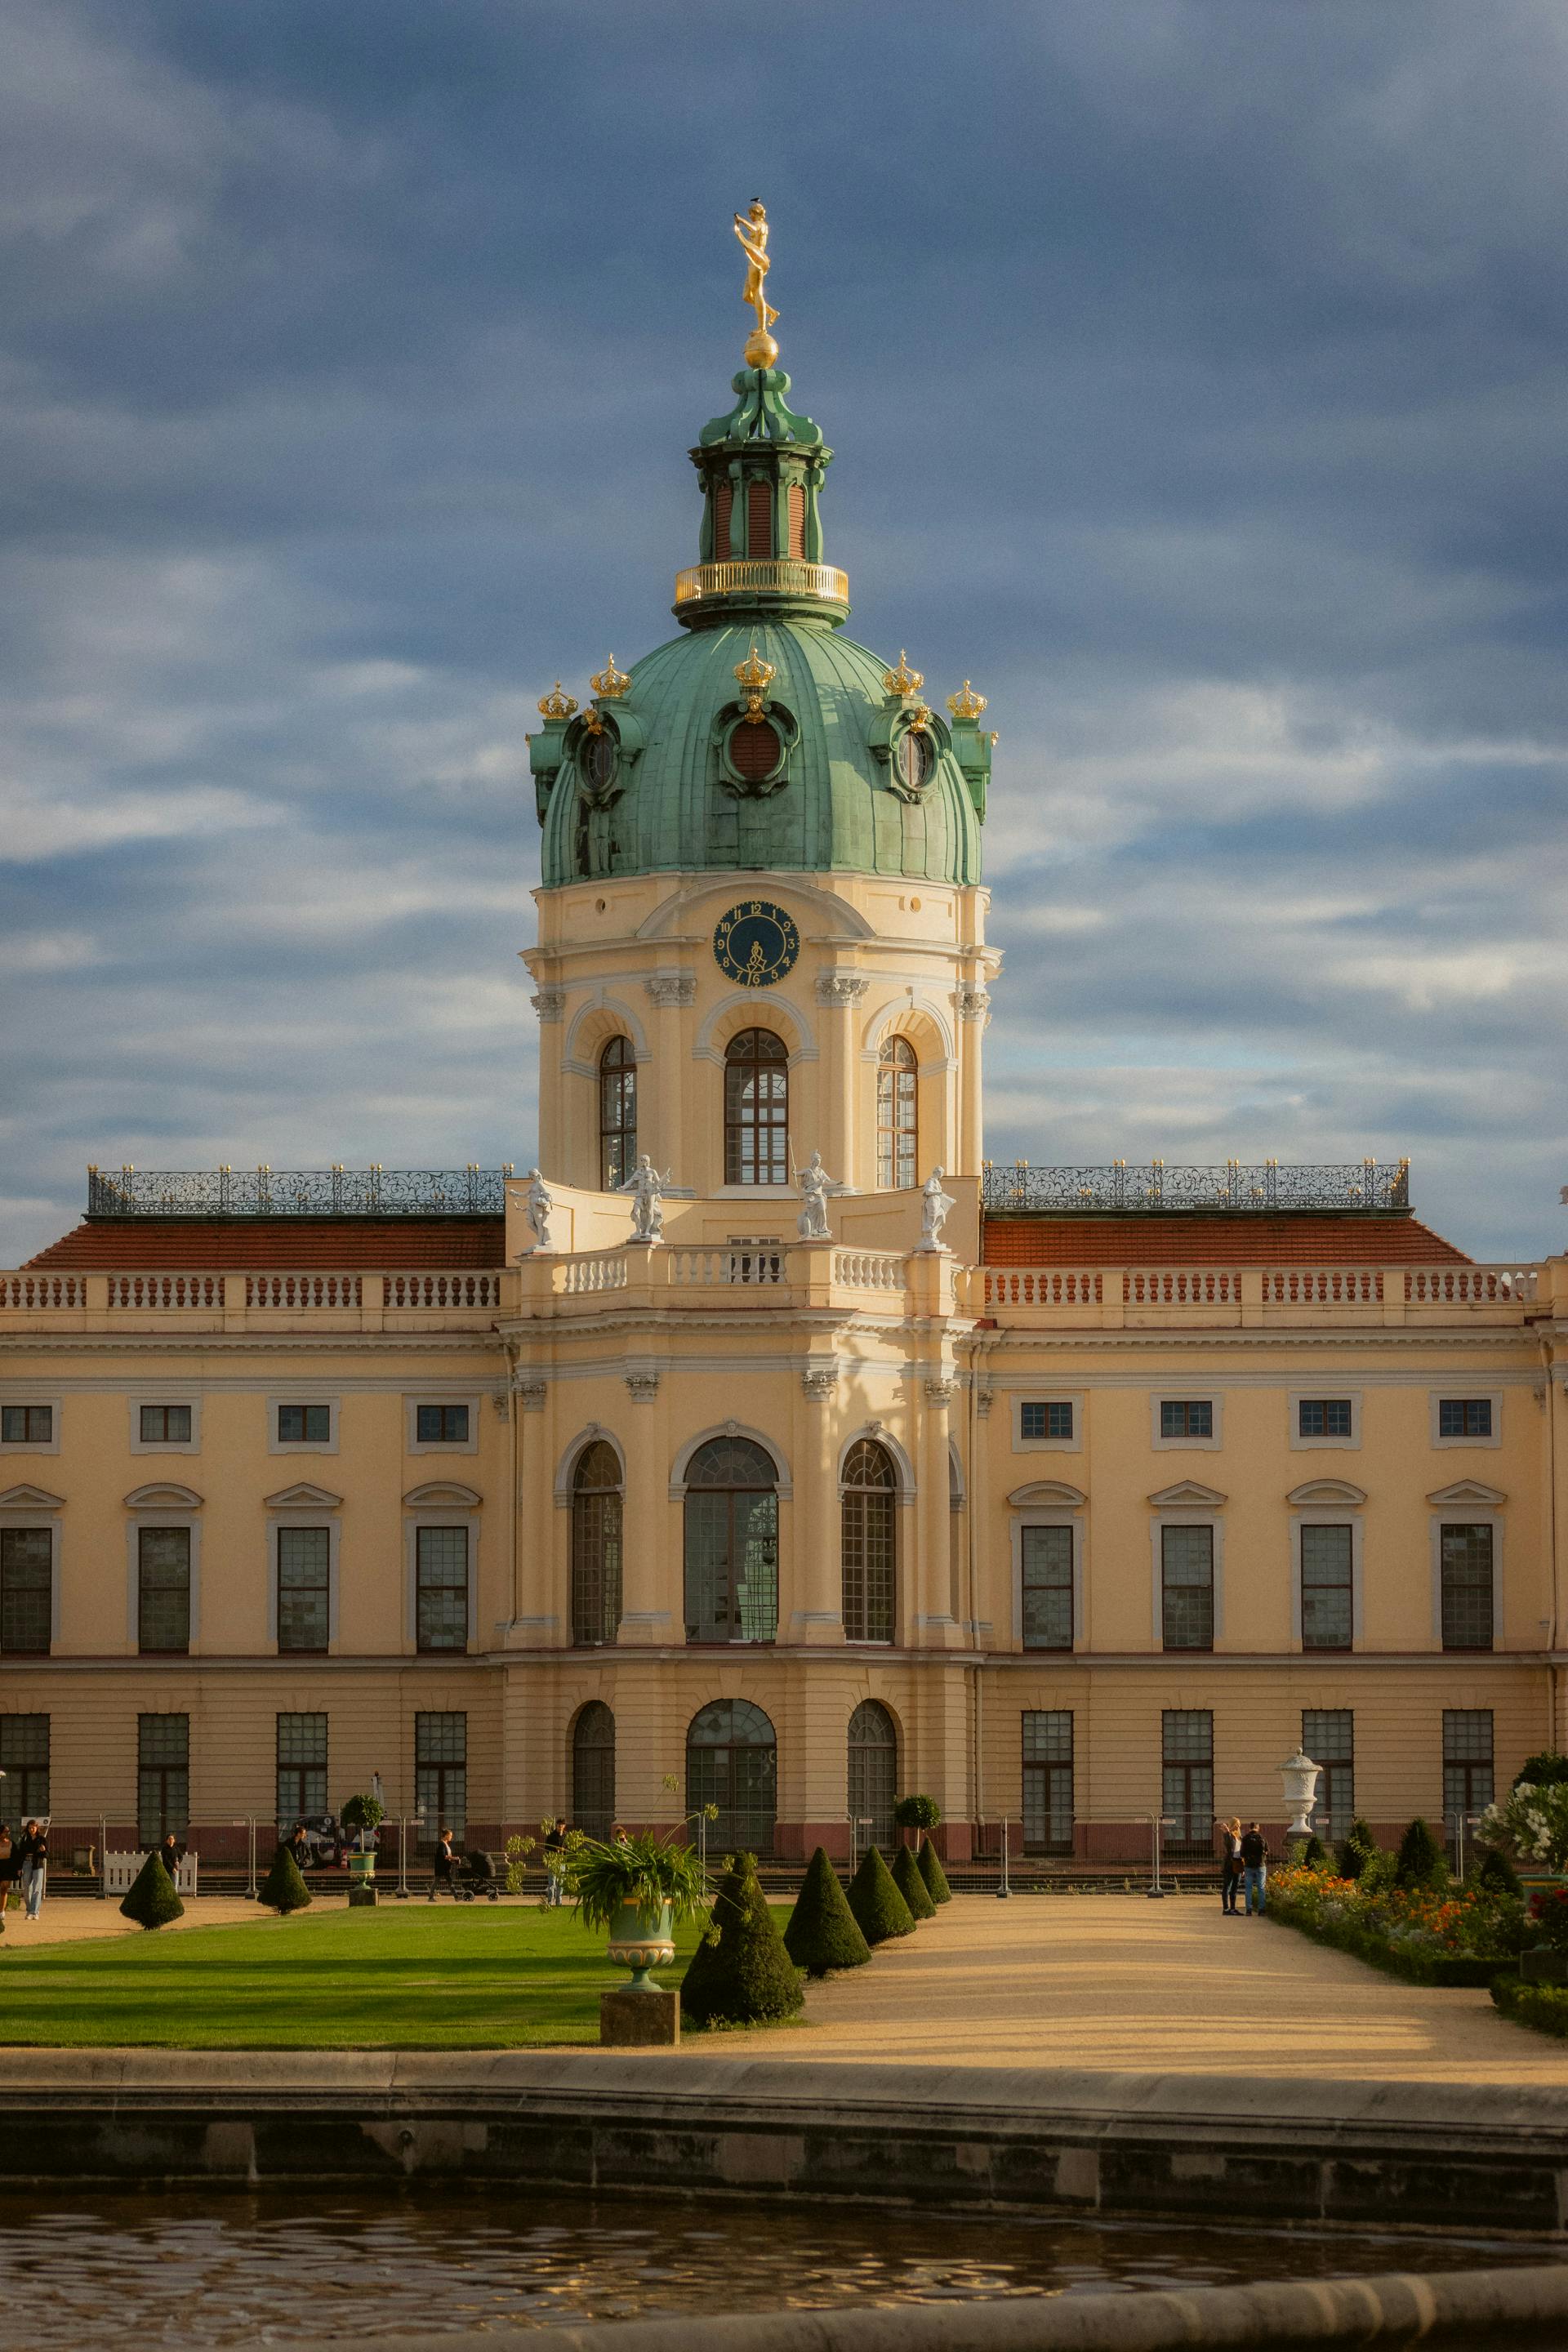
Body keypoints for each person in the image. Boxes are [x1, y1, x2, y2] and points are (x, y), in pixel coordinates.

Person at [16, 1820, 48, 1919]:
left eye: (33, 1827)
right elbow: (20, 1854)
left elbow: (47, 1855)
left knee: (37, 1889)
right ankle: (29, 1910)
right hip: (26, 1863)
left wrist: (44, 1851)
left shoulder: (42, 1839)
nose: (31, 1829)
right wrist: (19, 1868)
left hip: (38, 1864)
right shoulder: (25, 1839)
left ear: (37, 1828)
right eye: (29, 1828)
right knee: (27, 1889)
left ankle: (35, 1912)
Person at [1240, 1820, 1270, 1916]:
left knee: (1248, 1888)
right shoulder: (1262, 1838)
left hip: (1248, 1866)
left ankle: (1249, 1910)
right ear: (1258, 1828)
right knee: (1261, 1887)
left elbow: (1242, 1853)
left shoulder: (1245, 1839)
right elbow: (1267, 1851)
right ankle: (1261, 1910)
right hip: (1260, 1866)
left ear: (1250, 1828)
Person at [1219, 1818, 1243, 1916]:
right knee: (1227, 1886)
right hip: (1230, 1864)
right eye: (1236, 1824)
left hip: (1238, 1863)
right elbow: (1228, 1845)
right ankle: (1226, 1908)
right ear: (1232, 1825)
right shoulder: (1228, 1835)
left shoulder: (1239, 1836)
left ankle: (1233, 1908)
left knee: (1235, 1887)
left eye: (1239, 1824)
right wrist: (1227, 1832)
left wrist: (1243, 1867)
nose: (1237, 1826)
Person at [541, 1817, 566, 1909]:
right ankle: (550, 1901)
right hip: (553, 1862)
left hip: (562, 1862)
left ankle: (559, 1902)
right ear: (557, 1826)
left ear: (564, 1826)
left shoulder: (566, 1836)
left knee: (561, 1882)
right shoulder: (551, 1836)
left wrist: (564, 1851)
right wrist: (556, 1849)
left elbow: (569, 1849)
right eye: (559, 1825)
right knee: (552, 1882)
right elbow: (547, 1849)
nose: (560, 1826)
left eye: (562, 1825)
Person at [431, 1826, 459, 1900]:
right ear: (446, 1835)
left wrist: (452, 1859)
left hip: (445, 1867)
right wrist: (454, 1858)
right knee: (437, 1882)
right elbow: (443, 1856)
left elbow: (447, 1856)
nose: (451, 1837)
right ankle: (430, 1897)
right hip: (441, 1867)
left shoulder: (445, 1844)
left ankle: (456, 1897)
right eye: (450, 1836)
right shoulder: (442, 1844)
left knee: (449, 1882)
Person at [0, 1825, 16, 1933]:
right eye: (5, 1832)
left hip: (7, 1867)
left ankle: (2, 1910)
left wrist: (16, 1869)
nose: (7, 1833)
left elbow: (15, 1856)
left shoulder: (11, 1843)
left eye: (8, 1832)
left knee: (4, 1888)